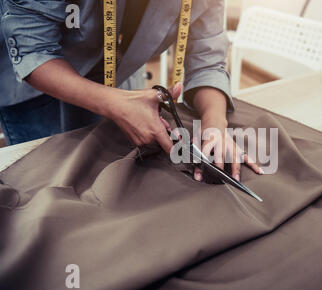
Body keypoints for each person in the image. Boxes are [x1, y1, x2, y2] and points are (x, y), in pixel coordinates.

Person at [0, 0, 262, 182]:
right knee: (47, 181)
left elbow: (208, 61)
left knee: (115, 171)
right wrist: (114, 103)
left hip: (118, 66)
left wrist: (215, 124)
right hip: (35, 86)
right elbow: (35, 50)